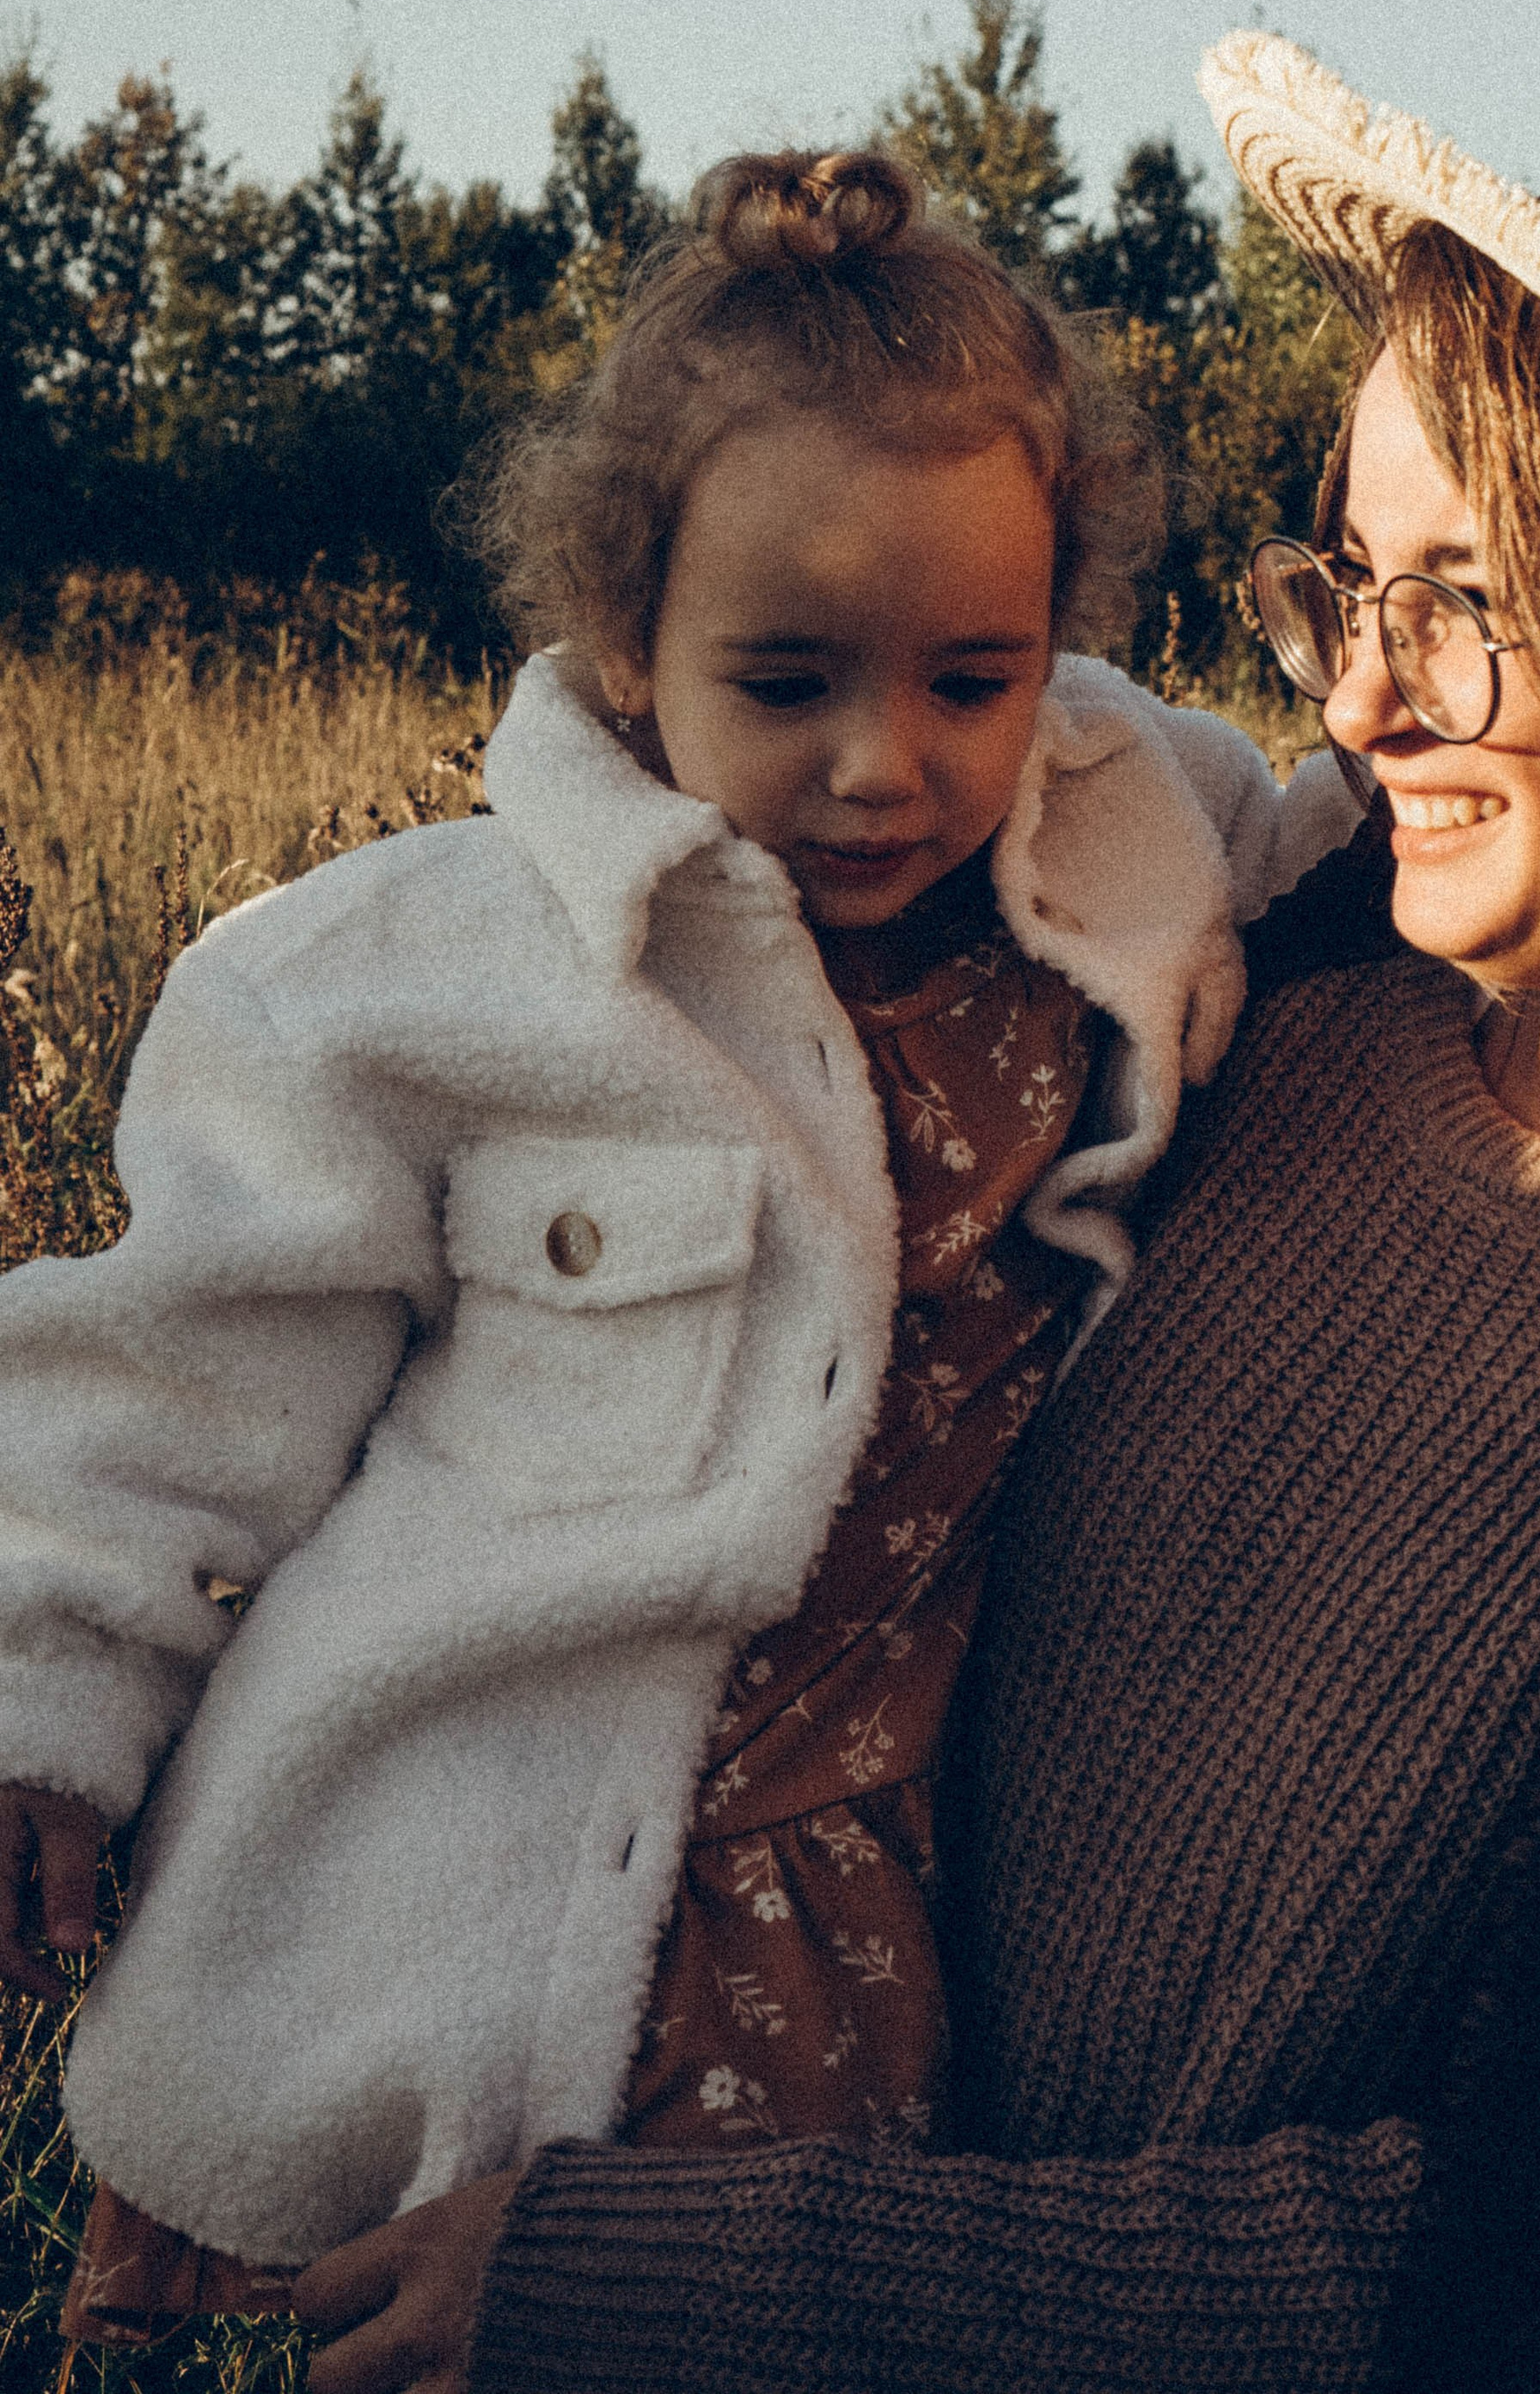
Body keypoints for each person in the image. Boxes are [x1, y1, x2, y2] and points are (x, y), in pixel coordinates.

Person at [423, 43, 1540, 2394]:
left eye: (1467, 603)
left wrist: (664, 2296)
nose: (1362, 700)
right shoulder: (1261, 1028)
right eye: (1347, 585)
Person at [0, 148, 1301, 2353]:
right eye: (784, 679)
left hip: (864, 1890)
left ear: (1059, 634)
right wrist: (49, 1695)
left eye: (971, 676)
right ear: (626, 640)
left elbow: (1370, 835)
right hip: (453, 1853)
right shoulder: (431, 978)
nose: (886, 765)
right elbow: (189, 1363)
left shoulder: (1134, 840)